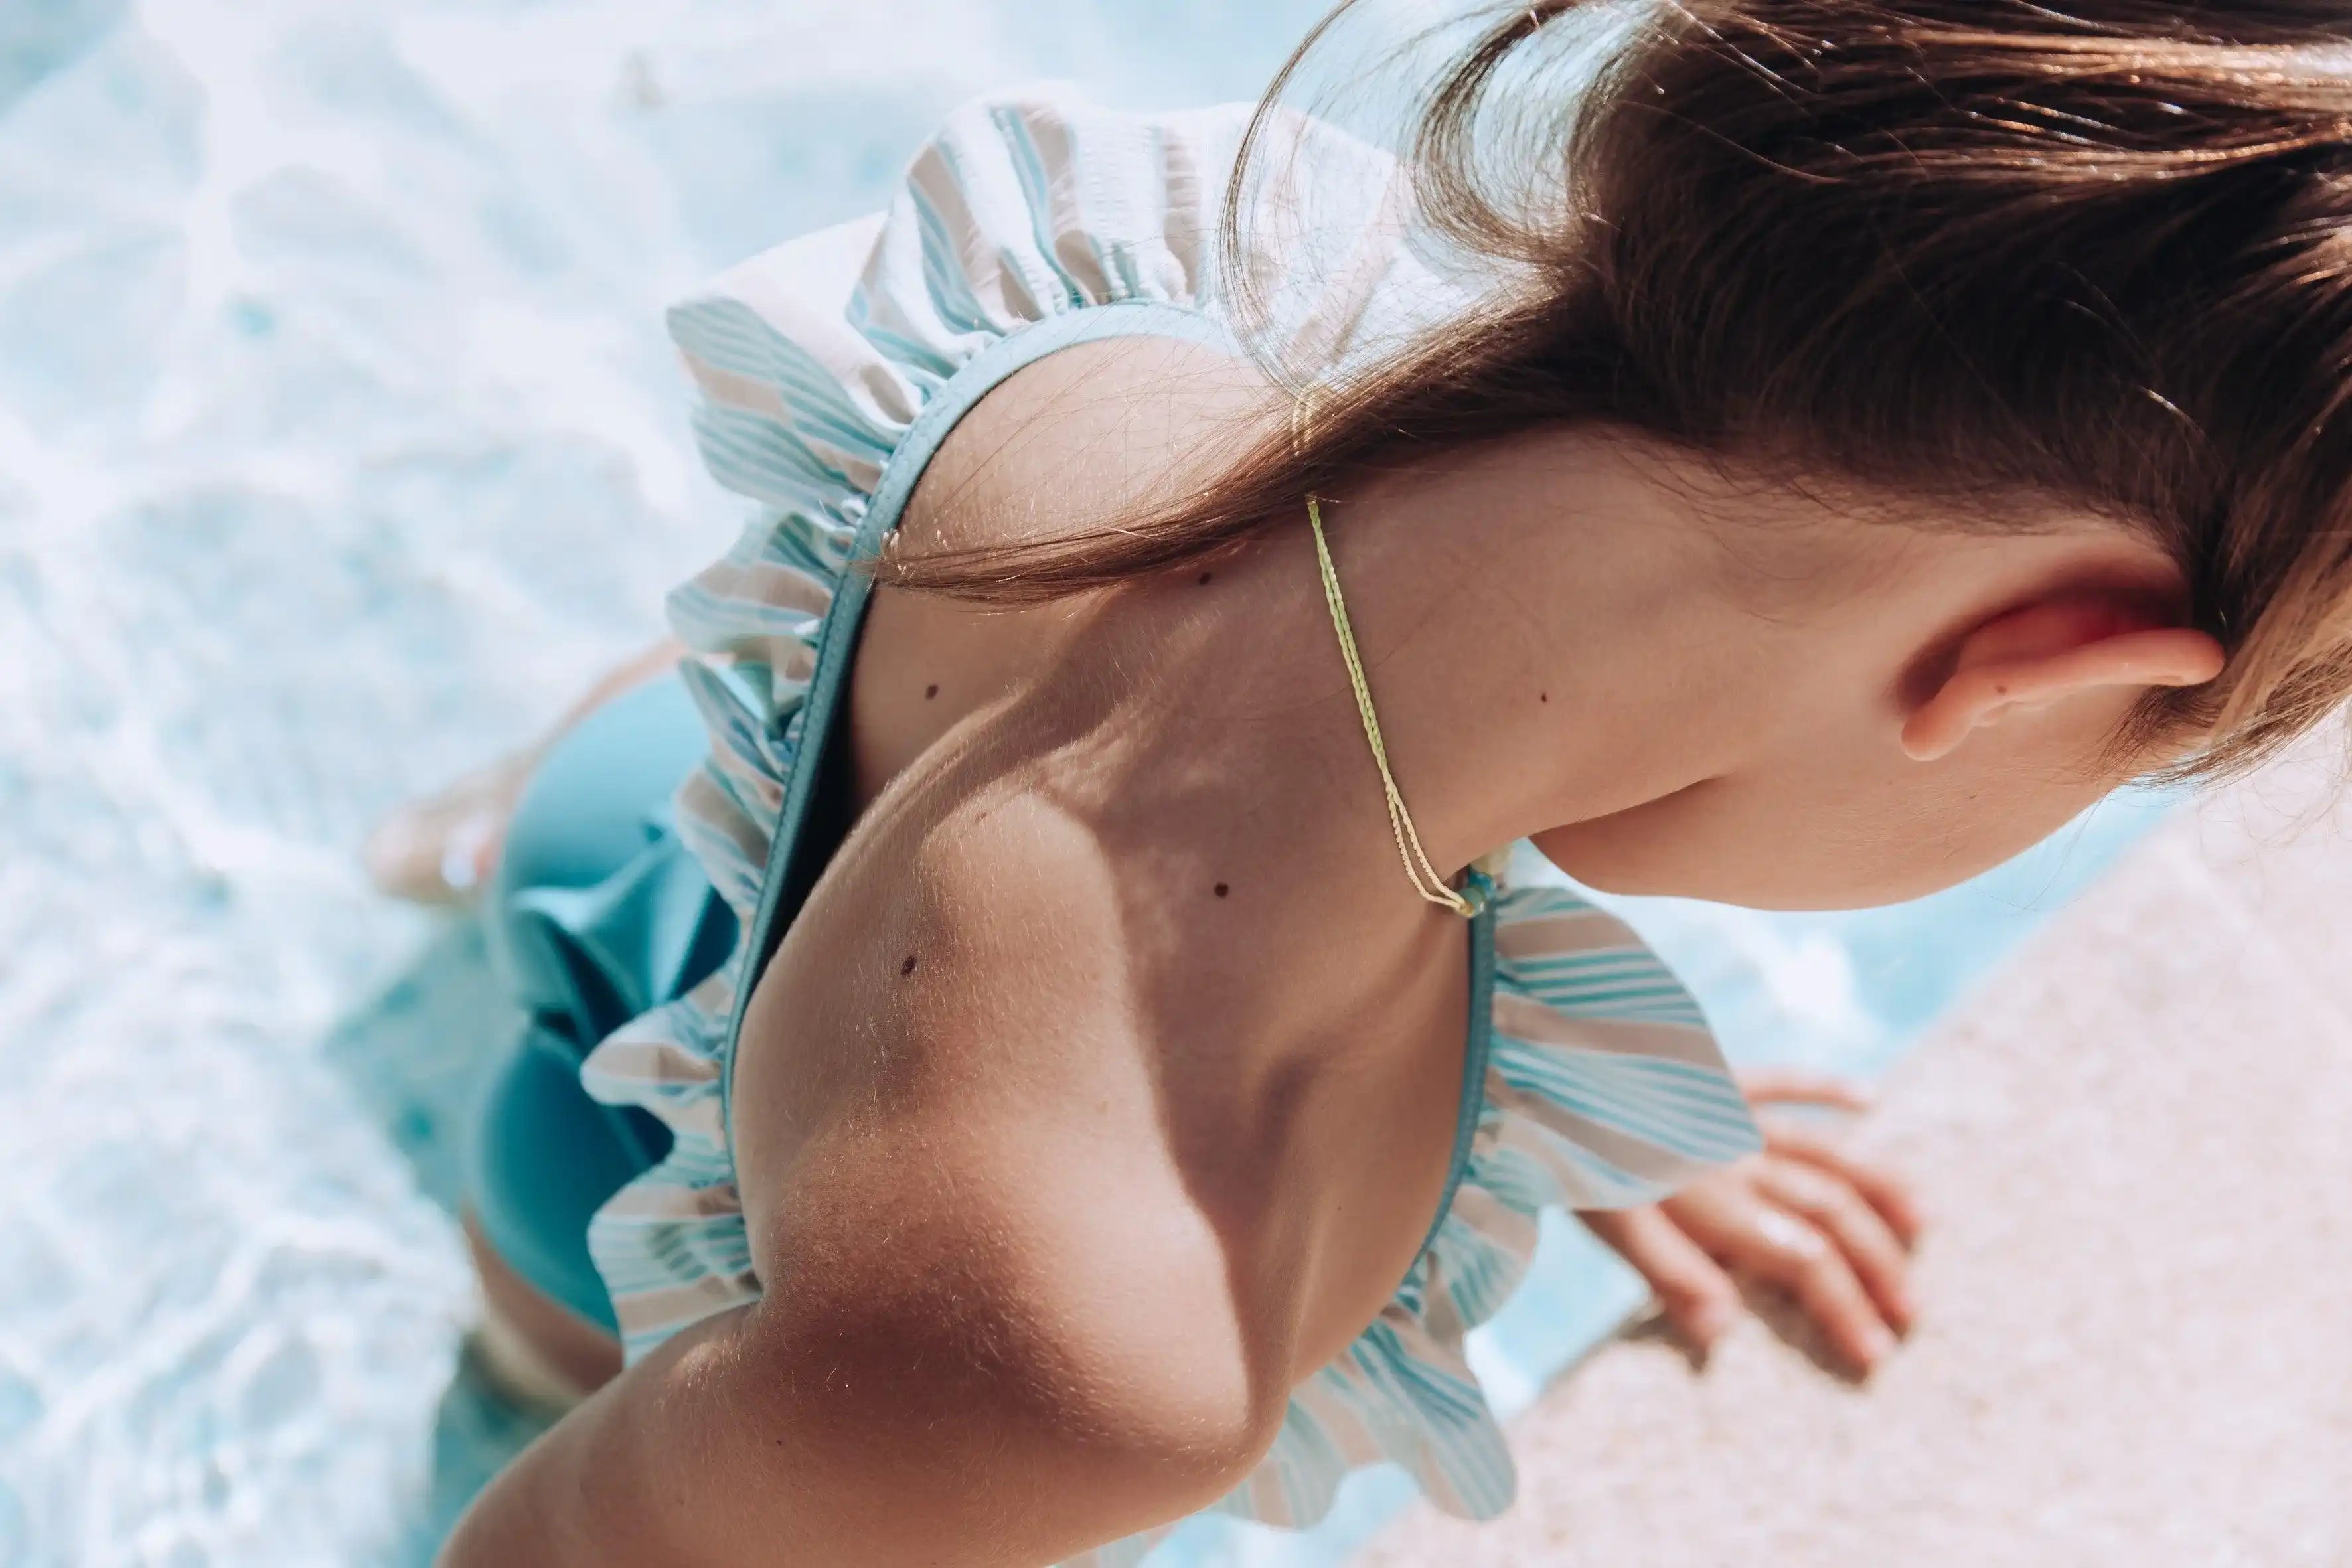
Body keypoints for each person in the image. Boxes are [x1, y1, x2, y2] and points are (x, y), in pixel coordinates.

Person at [396, 3, 2352, 1563]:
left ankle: (464, 840)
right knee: (549, 1397)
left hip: (664, 793)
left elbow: (1241, 763)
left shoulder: (1232, 339)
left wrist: (1541, 1095)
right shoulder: (1088, 1342)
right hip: (620, 1196)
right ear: (2048, 669)